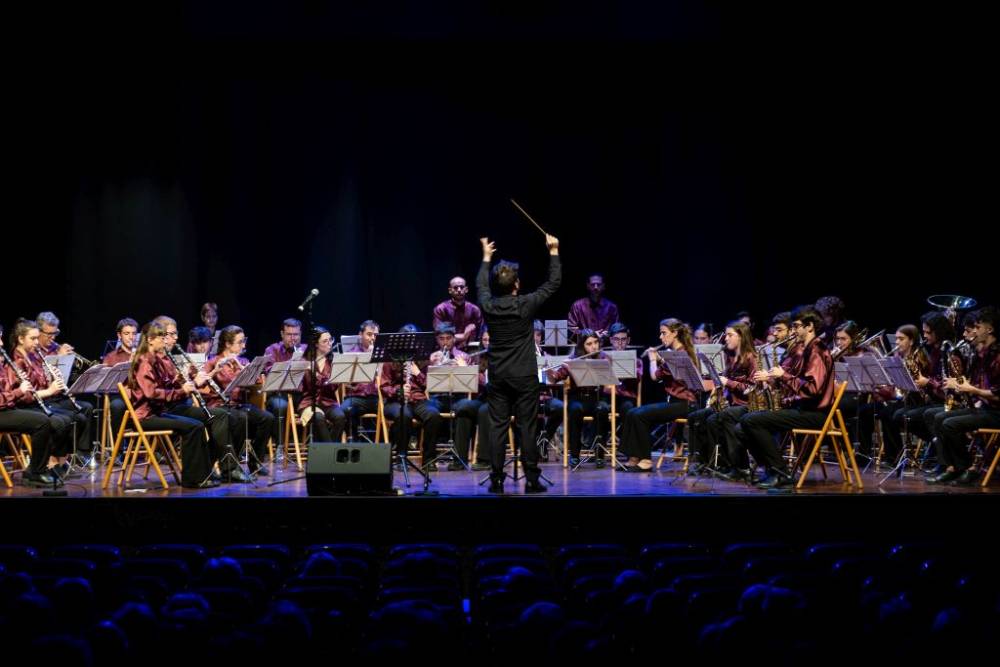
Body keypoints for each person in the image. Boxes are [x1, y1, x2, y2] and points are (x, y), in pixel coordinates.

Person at [477, 233, 561, 493]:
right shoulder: (525, 304)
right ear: (517, 285)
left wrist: (486, 258)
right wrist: (554, 251)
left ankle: (497, 479)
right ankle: (532, 480)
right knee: (527, 427)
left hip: (499, 376)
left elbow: (480, 285)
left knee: (498, 428)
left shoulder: (488, 305)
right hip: (524, 376)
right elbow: (553, 283)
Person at [432, 277, 483, 350]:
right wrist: (463, 336)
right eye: (455, 288)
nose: (459, 290)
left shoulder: (475, 310)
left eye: (461, 287)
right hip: (447, 350)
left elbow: (480, 335)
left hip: (470, 350)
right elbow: (439, 335)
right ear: (450, 290)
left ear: (466, 289)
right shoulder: (441, 309)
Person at [567, 274, 618, 339]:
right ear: (588, 286)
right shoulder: (577, 306)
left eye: (598, 284)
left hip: (605, 345)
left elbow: (616, 329)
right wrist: (585, 333)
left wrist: (607, 334)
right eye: (592, 284)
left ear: (603, 286)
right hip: (584, 346)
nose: (595, 287)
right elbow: (570, 329)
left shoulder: (612, 307)